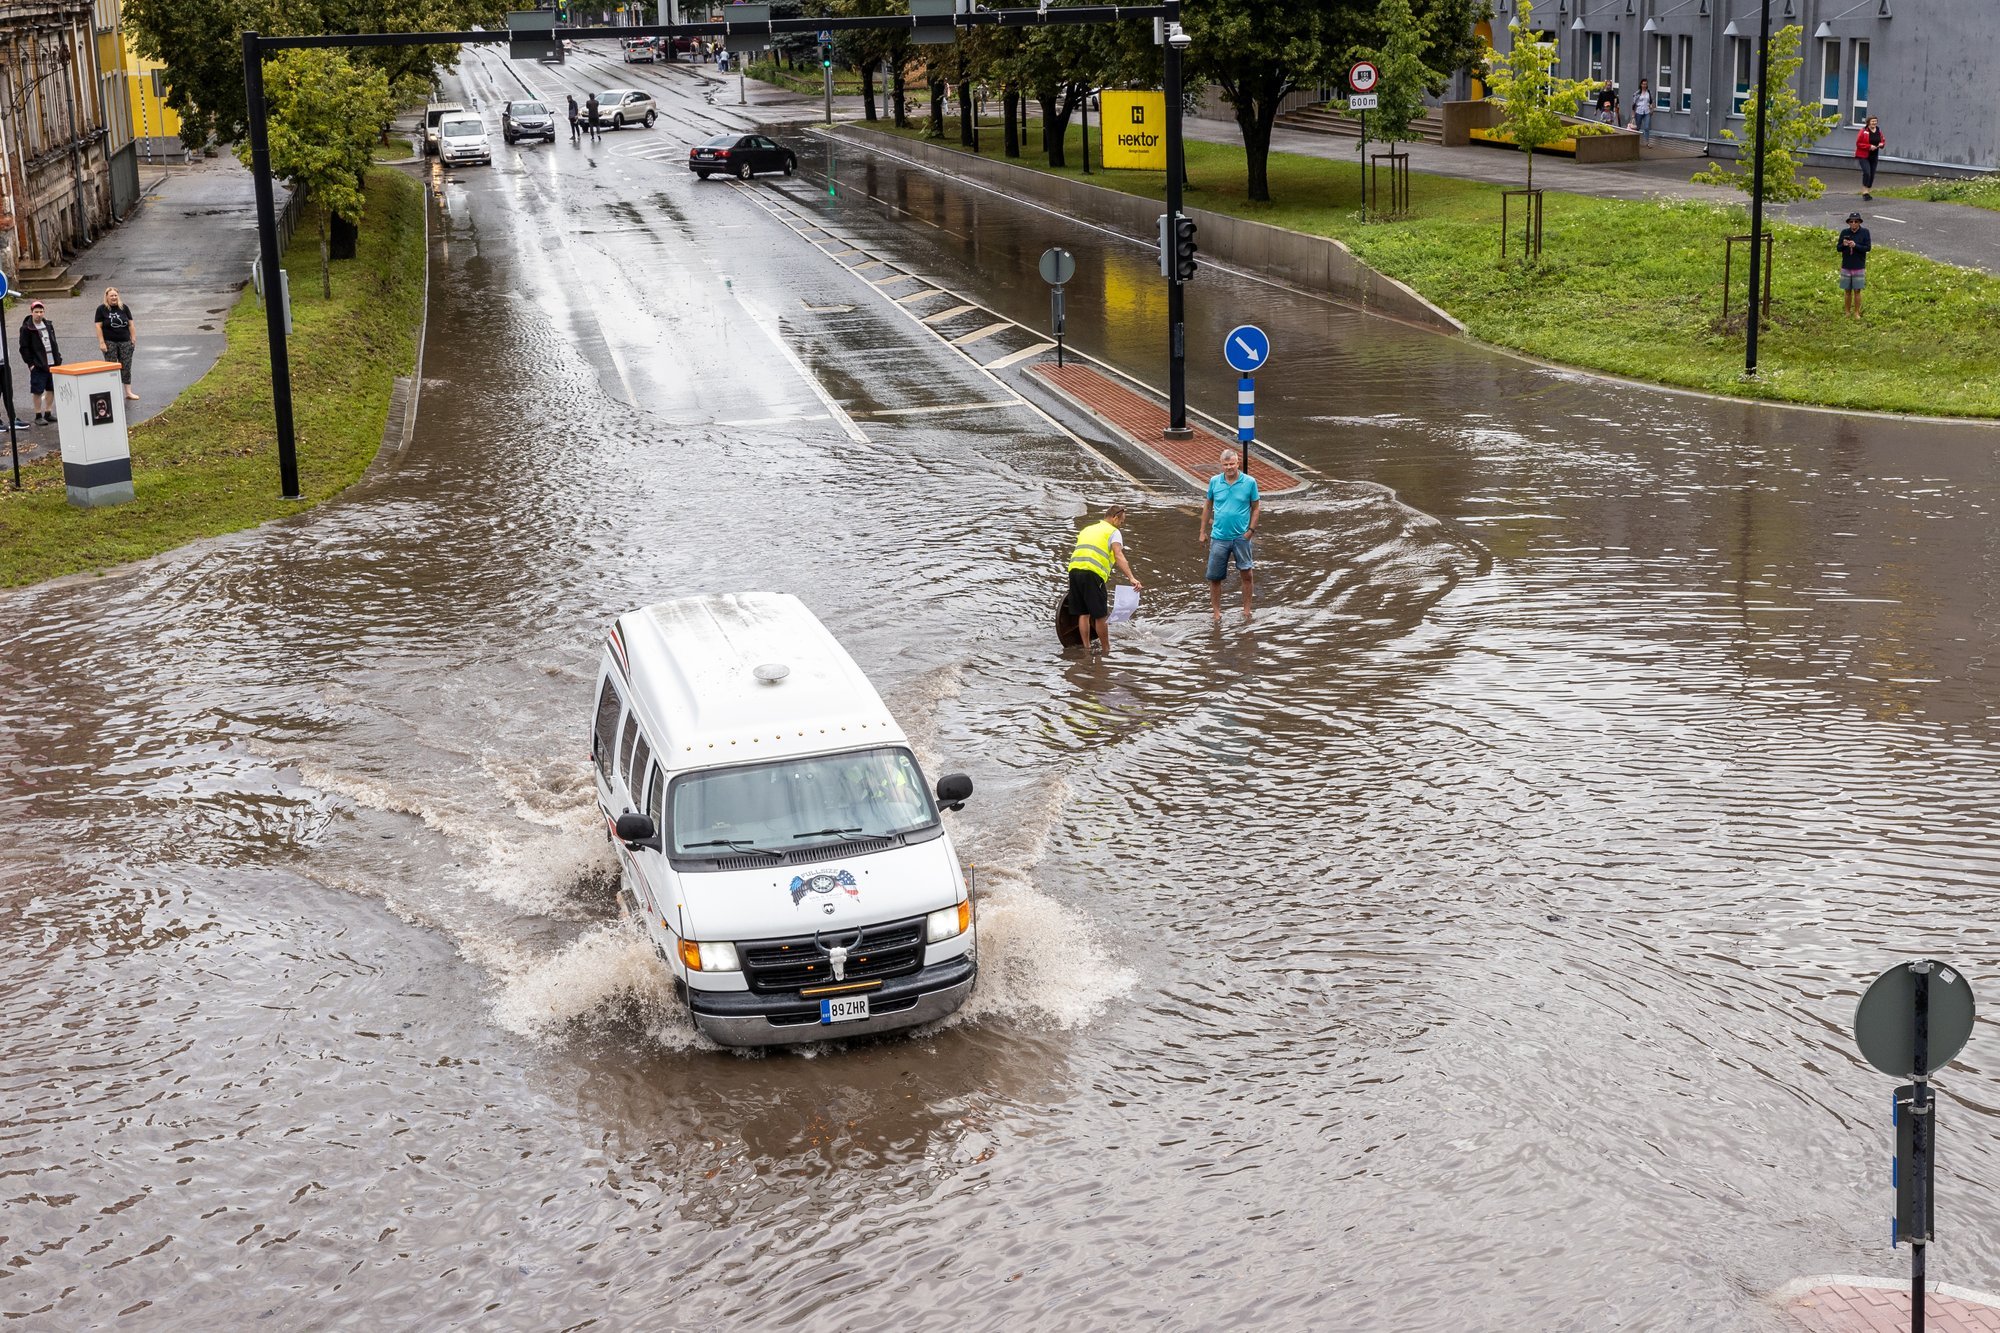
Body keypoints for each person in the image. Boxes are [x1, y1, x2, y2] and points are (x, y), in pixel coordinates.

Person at [1065, 504, 1141, 656]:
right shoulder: (1113, 532)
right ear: (1114, 518)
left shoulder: (1088, 529)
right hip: (1093, 574)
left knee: (1083, 613)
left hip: (1074, 571)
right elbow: (1118, 555)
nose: (1121, 525)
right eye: (1121, 522)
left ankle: (1086, 648)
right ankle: (1106, 650)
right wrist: (1131, 577)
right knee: (1100, 615)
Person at [1200, 449, 1261, 622]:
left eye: (1232, 464)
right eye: (1226, 465)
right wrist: (1202, 531)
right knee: (1214, 577)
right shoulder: (1214, 482)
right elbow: (1207, 506)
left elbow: (1256, 507)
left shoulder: (1250, 482)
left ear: (1237, 463)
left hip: (1241, 538)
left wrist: (1250, 531)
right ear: (1221, 465)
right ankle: (1217, 613)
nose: (1229, 468)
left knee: (1247, 574)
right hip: (1219, 537)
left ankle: (1247, 611)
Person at [18, 300, 60, 425]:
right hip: (38, 364)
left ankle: (48, 412)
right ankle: (38, 415)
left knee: (51, 388)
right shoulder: (27, 328)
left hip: (52, 362)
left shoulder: (48, 325)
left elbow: (53, 342)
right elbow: (24, 348)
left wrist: (58, 357)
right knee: (37, 390)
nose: (39, 314)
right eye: (36, 312)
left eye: (41, 312)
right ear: (31, 313)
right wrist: (31, 364)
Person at [95, 287, 138, 401]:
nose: (114, 298)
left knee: (126, 367)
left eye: (115, 295)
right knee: (112, 368)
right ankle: (113, 392)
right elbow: (98, 327)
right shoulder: (101, 309)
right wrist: (102, 342)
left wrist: (133, 338)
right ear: (107, 297)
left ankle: (128, 392)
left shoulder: (124, 307)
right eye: (111, 296)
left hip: (125, 341)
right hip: (110, 342)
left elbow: (131, 324)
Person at [1837, 211, 1872, 318]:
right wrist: (1843, 245)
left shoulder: (1865, 232)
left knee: (1857, 290)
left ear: (1859, 222)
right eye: (1851, 221)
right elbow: (1838, 248)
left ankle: (1856, 312)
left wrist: (1855, 245)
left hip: (1858, 265)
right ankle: (1847, 312)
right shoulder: (1844, 232)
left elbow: (1868, 248)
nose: (1853, 223)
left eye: (1856, 221)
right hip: (1846, 265)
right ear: (1848, 222)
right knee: (1847, 290)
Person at [1855, 115, 1885, 200]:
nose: (1874, 123)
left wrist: (1881, 144)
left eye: (1875, 121)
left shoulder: (1878, 131)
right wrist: (1869, 146)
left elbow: (1882, 140)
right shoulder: (1863, 131)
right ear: (1868, 122)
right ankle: (1864, 192)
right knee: (1867, 172)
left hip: (1874, 156)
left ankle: (1867, 191)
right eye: (1872, 121)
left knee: (1872, 174)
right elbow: (1858, 143)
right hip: (1863, 155)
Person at [1633, 78, 1652, 143]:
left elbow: (1651, 102)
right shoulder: (1637, 93)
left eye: (1646, 84)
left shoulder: (1648, 92)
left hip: (1647, 111)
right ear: (1641, 85)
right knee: (1638, 127)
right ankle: (1636, 141)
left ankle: (1647, 142)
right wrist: (1633, 113)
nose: (1644, 85)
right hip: (1639, 111)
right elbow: (1634, 103)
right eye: (1643, 84)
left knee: (1646, 127)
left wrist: (1652, 109)